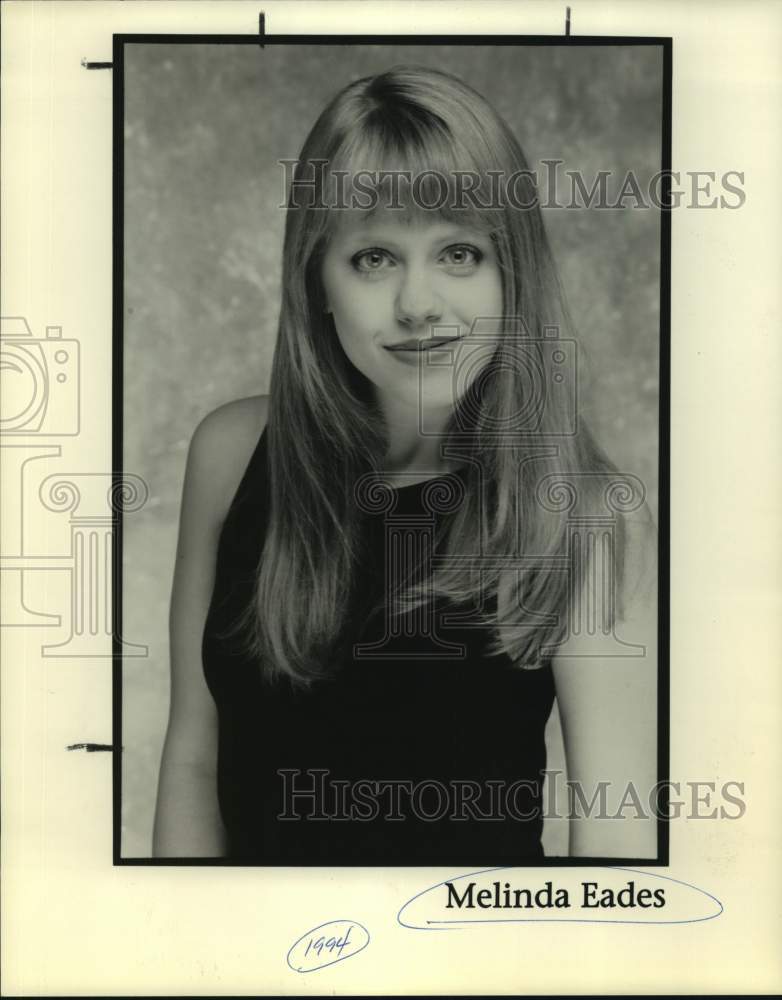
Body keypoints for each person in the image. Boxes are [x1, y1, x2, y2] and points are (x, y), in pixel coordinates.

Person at [152, 65, 658, 862]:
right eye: (374, 259)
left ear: (512, 271)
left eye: (458, 252)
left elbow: (616, 839)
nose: (419, 303)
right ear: (315, 279)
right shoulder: (231, 454)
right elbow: (192, 758)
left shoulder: (584, 509)